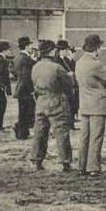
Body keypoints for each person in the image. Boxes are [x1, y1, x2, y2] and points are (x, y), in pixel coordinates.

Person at [74, 34, 106, 176]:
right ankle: (93, 167)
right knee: (96, 137)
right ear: (97, 47)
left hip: (84, 103)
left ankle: (82, 166)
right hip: (97, 104)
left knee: (85, 137)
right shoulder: (96, 64)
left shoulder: (79, 62)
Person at [29, 40, 74, 171]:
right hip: (56, 99)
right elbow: (68, 86)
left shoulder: (35, 67)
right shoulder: (57, 67)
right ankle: (65, 162)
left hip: (41, 101)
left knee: (40, 132)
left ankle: (37, 160)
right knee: (61, 132)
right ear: (52, 51)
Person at [12, 36, 35, 140]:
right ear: (26, 46)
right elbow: (27, 76)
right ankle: (21, 132)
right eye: (30, 45)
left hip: (20, 88)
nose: (32, 47)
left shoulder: (18, 58)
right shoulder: (25, 59)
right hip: (25, 89)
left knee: (23, 111)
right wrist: (31, 90)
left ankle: (22, 131)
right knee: (26, 112)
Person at [55, 39, 80, 120]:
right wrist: (67, 74)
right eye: (66, 49)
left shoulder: (65, 60)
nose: (67, 51)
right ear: (61, 50)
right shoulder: (57, 60)